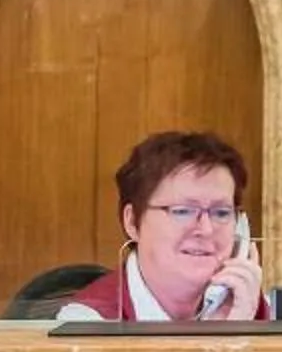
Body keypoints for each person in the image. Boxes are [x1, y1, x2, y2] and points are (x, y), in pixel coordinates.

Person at [52, 130, 268, 322]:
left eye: (221, 212)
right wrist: (226, 344)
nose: (206, 229)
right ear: (132, 222)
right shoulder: (86, 323)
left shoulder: (257, 308)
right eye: (182, 211)